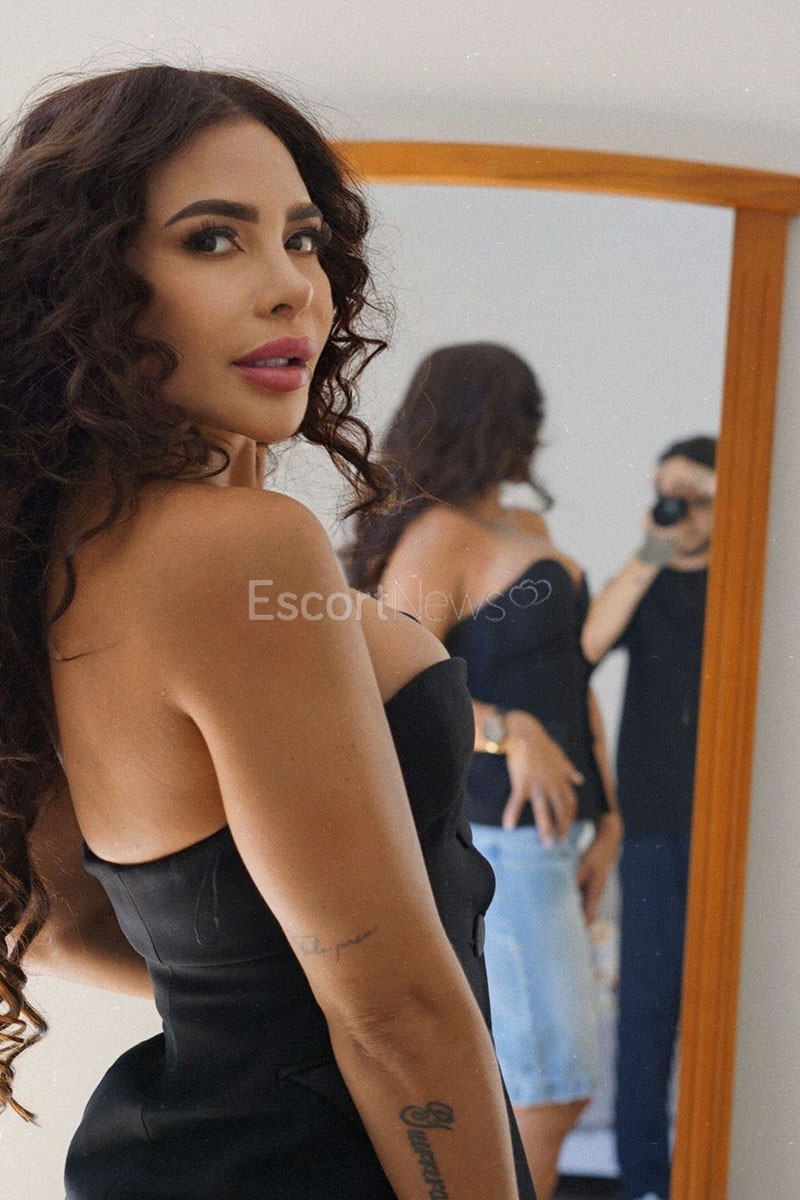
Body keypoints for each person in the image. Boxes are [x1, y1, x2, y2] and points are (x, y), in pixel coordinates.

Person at [0, 66, 538, 1199]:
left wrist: (266, 1012)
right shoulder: (241, 549)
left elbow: (53, 926)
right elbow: (395, 1014)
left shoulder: (62, 556)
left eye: (303, 239)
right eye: (212, 239)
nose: (293, 286)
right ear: (86, 284)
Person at [345, 343, 624, 1200]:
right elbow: (382, 689)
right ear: (481, 420)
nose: (532, 434)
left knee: (554, 1080)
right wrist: (507, 729)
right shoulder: (437, 537)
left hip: (564, 834)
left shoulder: (527, 530)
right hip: (502, 837)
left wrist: (611, 815)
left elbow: (571, 678)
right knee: (551, 1086)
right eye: (520, 414)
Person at [581, 435, 717, 1200]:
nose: (680, 508)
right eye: (669, 491)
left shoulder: (747, 588)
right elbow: (586, 647)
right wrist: (650, 551)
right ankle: (643, 1183)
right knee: (646, 1009)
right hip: (654, 826)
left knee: (723, 1005)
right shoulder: (648, 582)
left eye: (697, 496)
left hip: (736, 831)